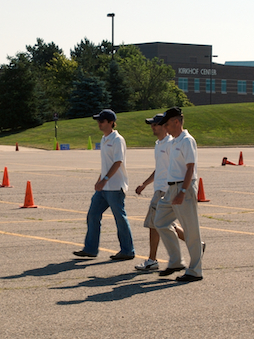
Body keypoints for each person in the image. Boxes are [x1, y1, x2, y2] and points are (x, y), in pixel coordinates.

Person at [73, 109, 136, 260]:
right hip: (104, 187)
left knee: (120, 218)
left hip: (115, 187)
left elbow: (118, 162)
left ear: (110, 122)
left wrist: (104, 179)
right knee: (93, 215)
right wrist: (99, 179)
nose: (99, 124)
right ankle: (90, 249)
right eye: (98, 121)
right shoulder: (104, 139)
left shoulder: (117, 140)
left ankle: (128, 250)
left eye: (101, 121)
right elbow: (106, 164)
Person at [154, 106, 204, 282]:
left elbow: (190, 168)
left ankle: (195, 270)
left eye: (167, 124)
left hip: (184, 188)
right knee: (159, 221)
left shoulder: (187, 141)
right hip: (171, 189)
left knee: (191, 231)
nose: (165, 128)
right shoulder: (174, 141)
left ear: (176, 122)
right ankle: (176, 261)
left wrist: (182, 191)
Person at [134, 113, 185, 271]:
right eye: (152, 124)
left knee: (154, 224)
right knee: (164, 224)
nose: (152, 127)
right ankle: (197, 244)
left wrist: (174, 190)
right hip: (160, 189)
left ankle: (152, 260)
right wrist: (145, 184)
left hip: (165, 190)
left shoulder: (170, 144)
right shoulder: (159, 144)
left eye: (155, 124)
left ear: (164, 126)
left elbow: (175, 167)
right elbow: (160, 169)